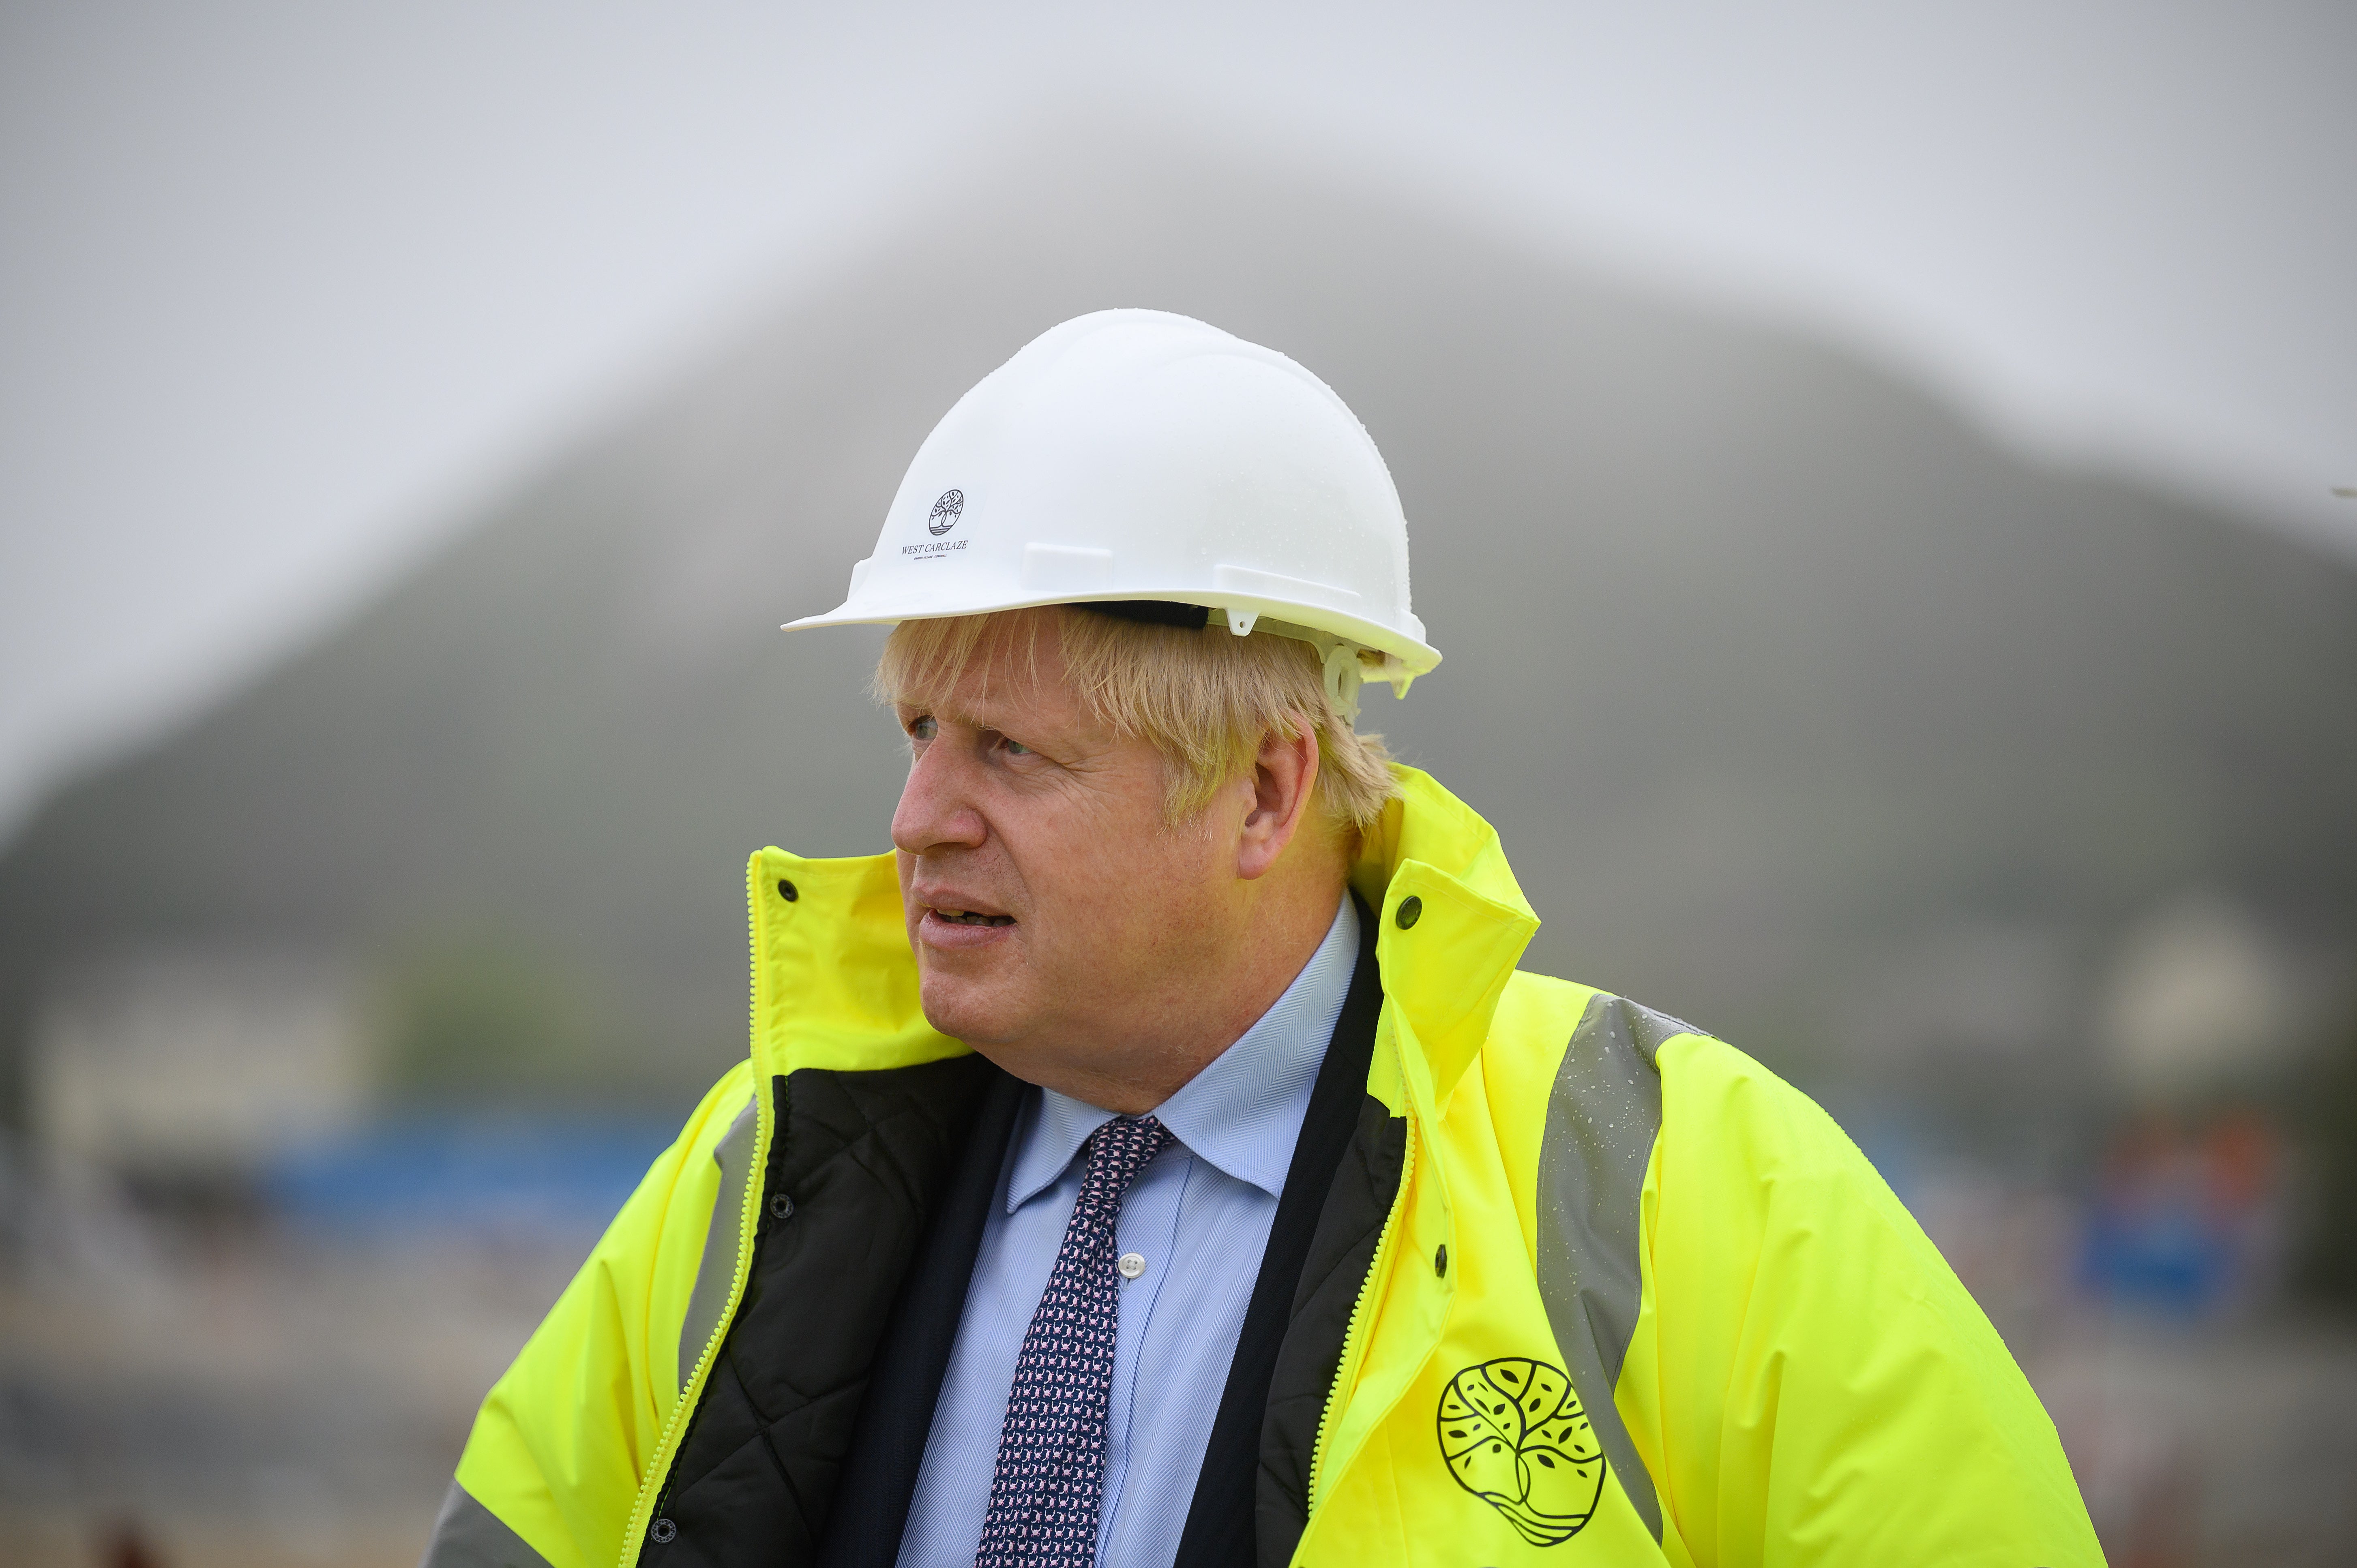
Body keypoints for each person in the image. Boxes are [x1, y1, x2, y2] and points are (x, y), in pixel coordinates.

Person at [421, 311, 2102, 1568]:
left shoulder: (1687, 1188)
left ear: (1259, 790)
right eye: (916, 733)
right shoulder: (754, 1169)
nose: (918, 817)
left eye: (1007, 752)